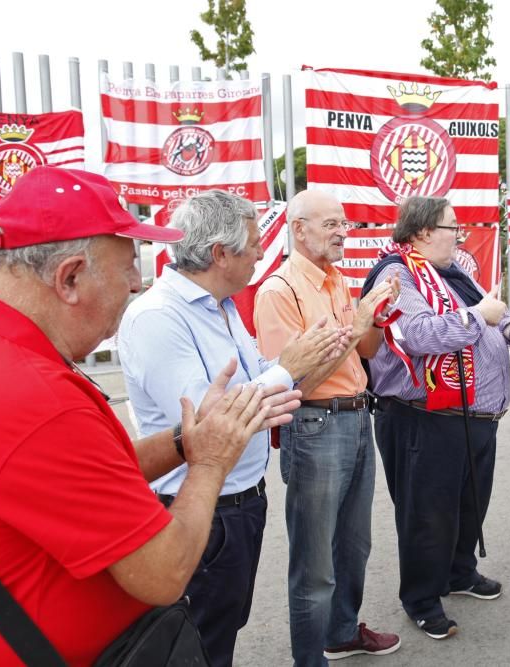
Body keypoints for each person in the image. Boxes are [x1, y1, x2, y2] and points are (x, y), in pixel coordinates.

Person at [0, 166, 300, 665]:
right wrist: (210, 461)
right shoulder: (38, 397)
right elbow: (165, 572)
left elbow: (92, 473)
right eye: (128, 267)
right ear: (69, 278)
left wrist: (182, 442)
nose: (136, 284)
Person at [118, 190, 343, 667]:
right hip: (201, 509)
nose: (263, 253)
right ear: (220, 254)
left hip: (239, 503)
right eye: (255, 243)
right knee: (197, 642)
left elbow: (255, 374)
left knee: (222, 629)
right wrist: (287, 369)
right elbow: (210, 421)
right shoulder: (159, 317)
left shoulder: (217, 304)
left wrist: (293, 362)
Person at [363, 196, 510, 640]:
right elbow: (417, 335)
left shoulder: (451, 275)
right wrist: (480, 316)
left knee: (468, 504)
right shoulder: (397, 276)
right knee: (428, 513)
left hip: (472, 416)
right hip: (424, 416)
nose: (460, 234)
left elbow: (495, 316)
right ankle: (421, 598)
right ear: (421, 233)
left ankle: (458, 572)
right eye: (452, 227)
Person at [253, 190, 401, 665]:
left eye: (345, 224)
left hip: (358, 417)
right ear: (299, 230)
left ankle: (340, 633)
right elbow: (293, 383)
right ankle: (309, 658)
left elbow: (367, 353)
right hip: (315, 423)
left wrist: (377, 318)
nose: (343, 233)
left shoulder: (336, 280)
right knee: (315, 565)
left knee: (355, 546)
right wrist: (360, 323)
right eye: (331, 224)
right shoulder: (279, 291)